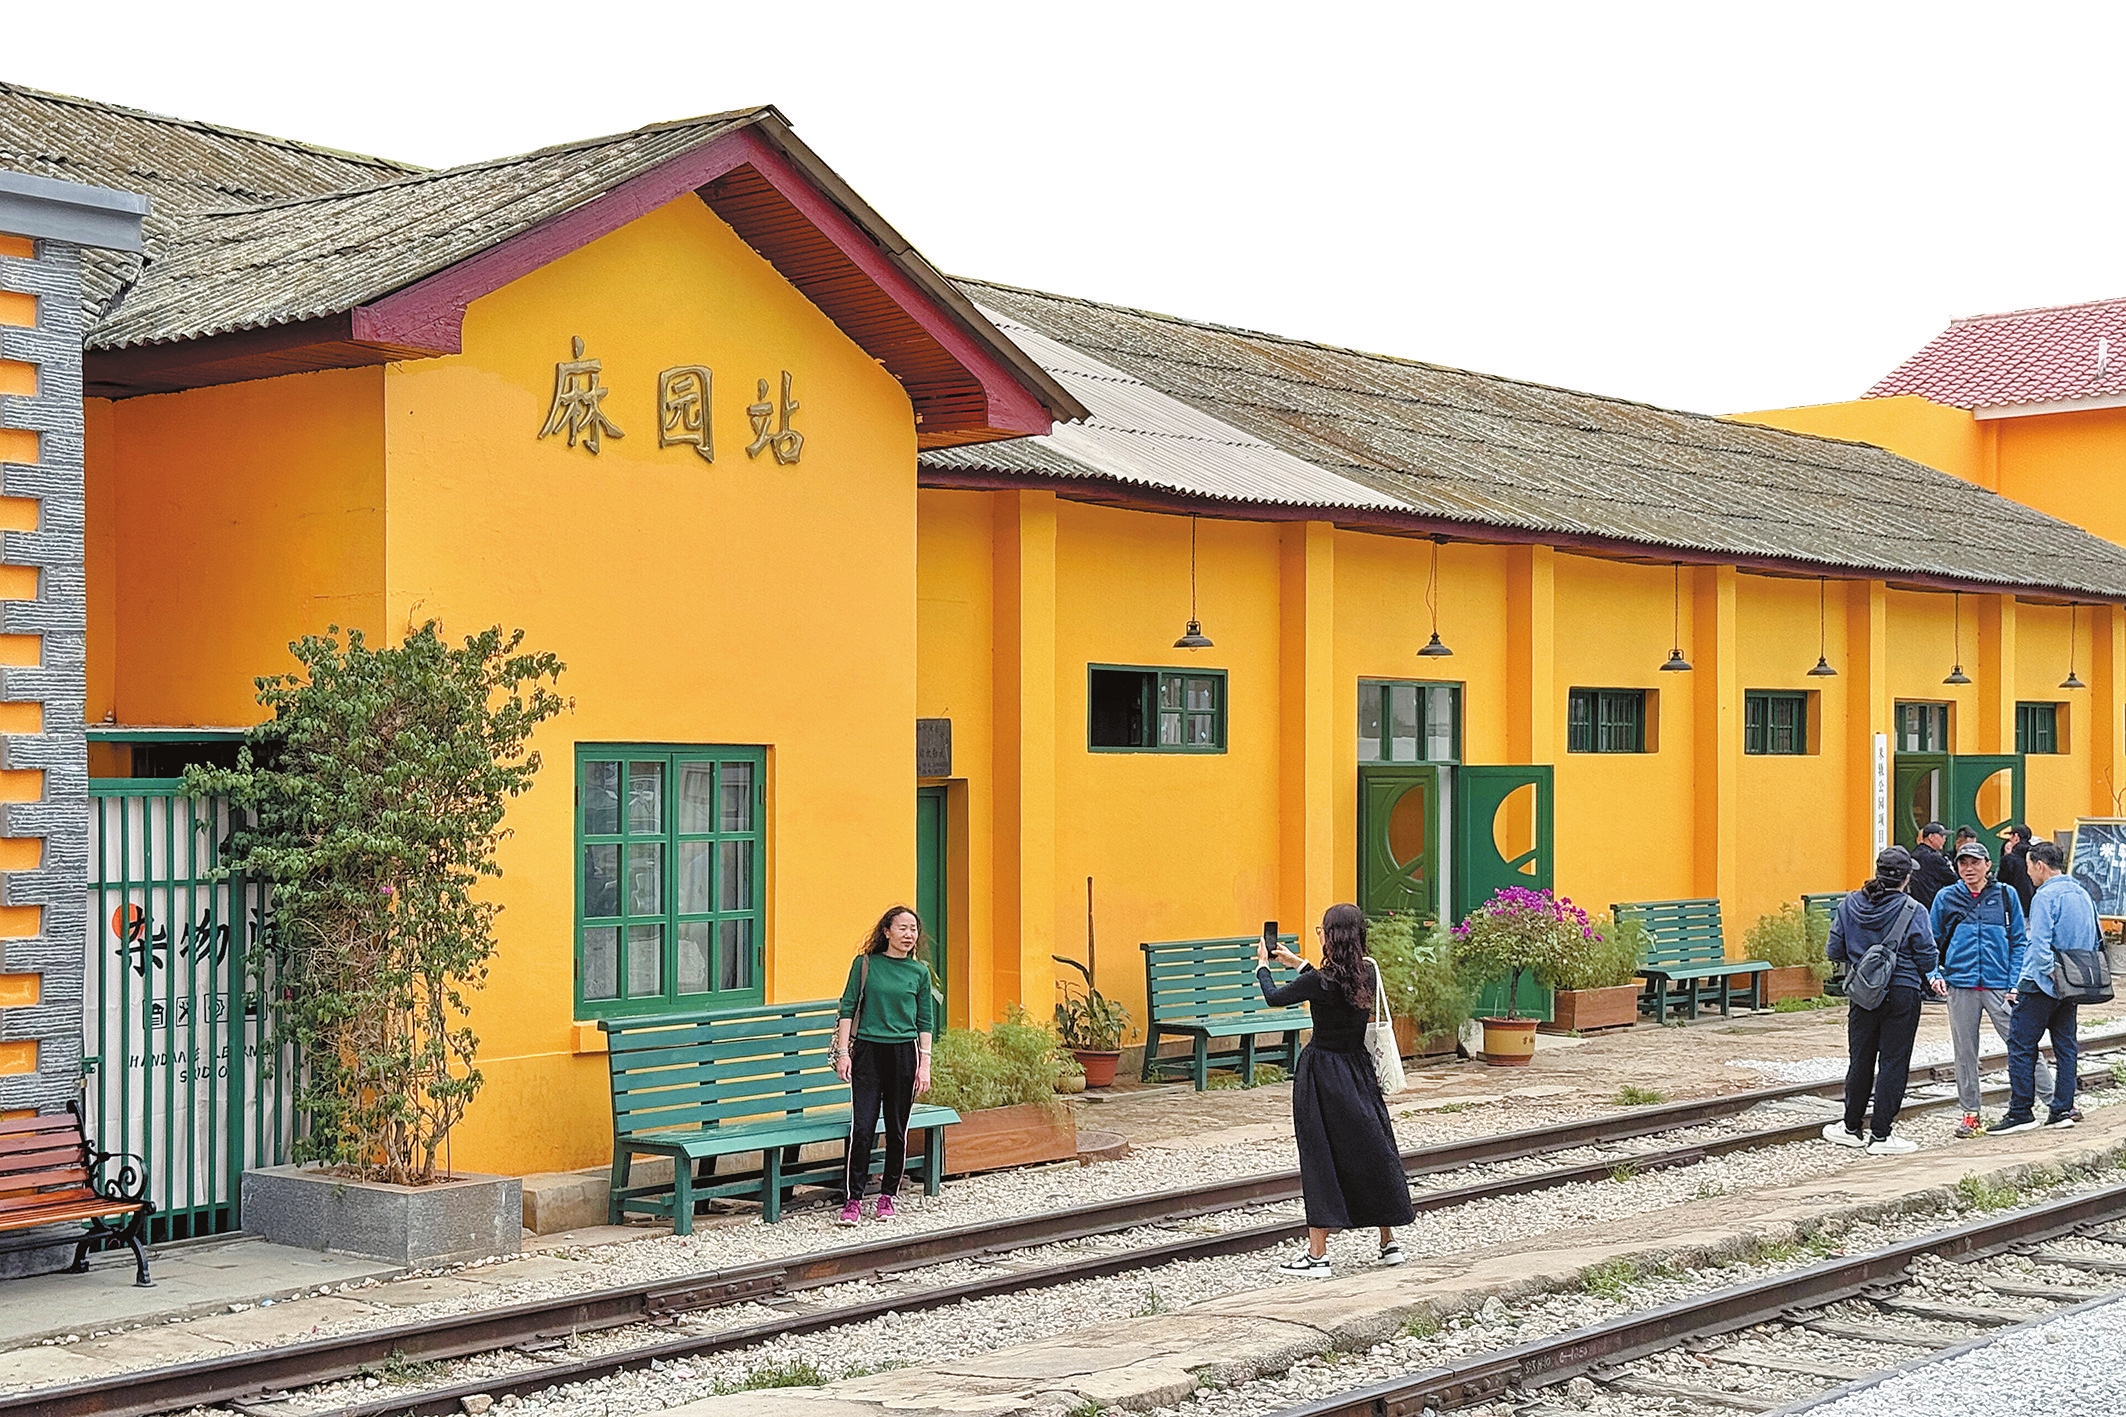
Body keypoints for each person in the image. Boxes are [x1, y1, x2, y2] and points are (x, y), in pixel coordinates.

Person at [1257, 903, 1414, 1276]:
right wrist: (1298, 963)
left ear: (1331, 937)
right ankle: (1388, 1242)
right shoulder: (1368, 973)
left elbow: (1275, 997)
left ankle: (1318, 1256)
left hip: (1321, 1074)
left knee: (1320, 1158)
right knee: (1372, 1148)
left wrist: (1263, 965)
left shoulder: (1320, 982)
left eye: (1322, 931)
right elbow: (1332, 986)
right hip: (1358, 1071)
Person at [1824, 846, 1946, 1155]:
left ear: (1878, 872)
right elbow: (1927, 956)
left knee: (1860, 1059)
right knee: (1893, 1062)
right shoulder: (1913, 909)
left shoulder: (1850, 904)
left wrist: (1862, 958)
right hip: (1903, 991)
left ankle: (1851, 1127)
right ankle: (1881, 1135)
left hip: (1863, 993)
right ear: (1906, 878)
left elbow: (1834, 950)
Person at [1932, 840, 2049, 1138]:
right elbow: (1931, 941)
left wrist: (2014, 983)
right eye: (1963, 863)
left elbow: (2019, 942)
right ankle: (1970, 1114)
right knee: (1964, 1052)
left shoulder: (2006, 895)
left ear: (1987, 865)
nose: (1969, 868)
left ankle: (2055, 1103)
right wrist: (1934, 973)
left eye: (1975, 862)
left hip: (2000, 986)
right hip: (1960, 984)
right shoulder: (1946, 897)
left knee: (2022, 1044)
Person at [832, 905, 935, 1223]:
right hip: (868, 1053)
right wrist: (843, 1053)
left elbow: (925, 1021)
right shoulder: (865, 965)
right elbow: (848, 1008)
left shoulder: (919, 973)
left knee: (896, 1129)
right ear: (886, 931)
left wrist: (925, 1064)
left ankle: (888, 1196)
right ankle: (853, 1199)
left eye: (913, 929)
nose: (909, 934)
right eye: (902, 928)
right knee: (862, 1128)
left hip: (904, 1054)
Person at [1994, 840, 2091, 1134]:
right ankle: (2062, 1108)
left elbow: (2038, 944)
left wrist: (2050, 972)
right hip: (2073, 983)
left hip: (2041, 984)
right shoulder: (2081, 892)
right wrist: (2070, 976)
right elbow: (2093, 938)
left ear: (2039, 865)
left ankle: (2021, 1111)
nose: (2028, 874)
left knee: (2021, 1045)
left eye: (2029, 867)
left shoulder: (2045, 896)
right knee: (2066, 1047)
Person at [1910, 823, 1957, 907]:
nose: (1944, 839)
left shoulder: (1914, 853)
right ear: (1931, 837)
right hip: (1932, 905)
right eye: (1942, 836)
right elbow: (1953, 879)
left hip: (1914, 905)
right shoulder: (1934, 858)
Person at [1999, 825, 2036, 914]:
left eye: (2011, 836)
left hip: (2014, 906)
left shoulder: (2009, 859)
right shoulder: (2035, 856)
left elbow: (2001, 882)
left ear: (2016, 836)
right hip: (2034, 905)